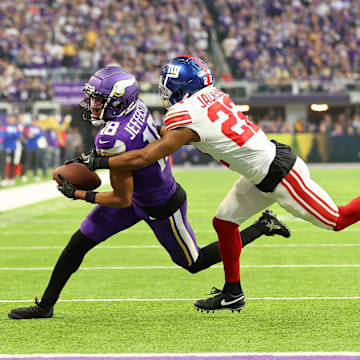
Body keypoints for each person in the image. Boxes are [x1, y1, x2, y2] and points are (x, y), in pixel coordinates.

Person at [73, 55, 360, 313]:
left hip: (280, 175)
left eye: (167, 87)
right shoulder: (212, 95)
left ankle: (233, 290)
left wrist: (97, 161)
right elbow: (174, 136)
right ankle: (233, 293)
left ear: (180, 88)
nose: (164, 92)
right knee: (224, 222)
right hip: (260, 171)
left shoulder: (184, 117)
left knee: (338, 219)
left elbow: (147, 155)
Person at [8, 67, 290, 319]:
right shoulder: (137, 107)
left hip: (161, 205)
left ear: (118, 100)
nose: (92, 104)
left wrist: (78, 194)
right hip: (140, 192)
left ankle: (262, 226)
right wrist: (91, 159)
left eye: (98, 99)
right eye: (92, 98)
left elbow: (121, 198)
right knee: (79, 243)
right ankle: (45, 305)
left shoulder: (111, 137)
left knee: (194, 263)